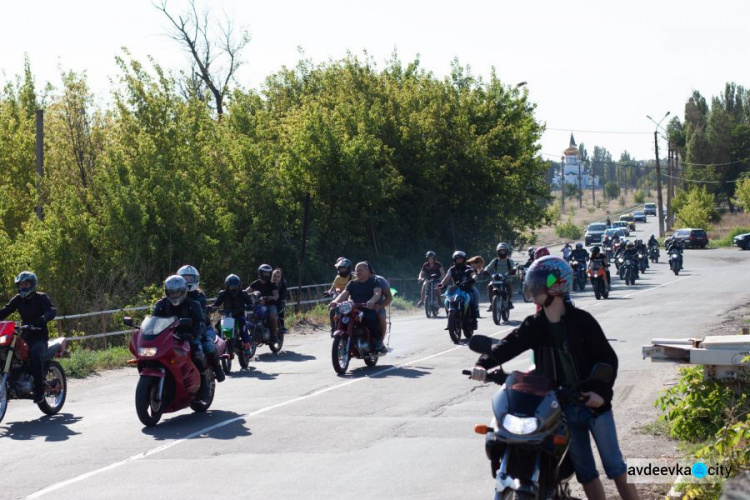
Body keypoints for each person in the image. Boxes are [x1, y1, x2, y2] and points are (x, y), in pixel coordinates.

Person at [469, 257, 639, 500]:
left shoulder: (582, 322)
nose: (533, 290)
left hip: (592, 406)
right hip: (563, 409)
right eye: (533, 283)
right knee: (586, 474)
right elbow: (509, 345)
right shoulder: (534, 325)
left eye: (539, 284)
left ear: (557, 287)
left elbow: (607, 361)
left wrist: (600, 394)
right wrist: (483, 365)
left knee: (616, 468)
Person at [0, 271, 57, 403]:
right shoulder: (18, 299)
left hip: (39, 337)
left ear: (32, 284)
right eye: (20, 285)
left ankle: (39, 388)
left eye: (25, 284)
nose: (22, 287)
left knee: (36, 354)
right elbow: (5, 311)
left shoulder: (42, 297)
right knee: (5, 351)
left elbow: (51, 311)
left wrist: (43, 319)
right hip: (25, 336)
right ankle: (10, 382)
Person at [153, 275, 209, 401]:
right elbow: (153, 321)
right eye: (171, 292)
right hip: (166, 337)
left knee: (197, 352)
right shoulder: (161, 305)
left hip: (187, 337)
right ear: (166, 292)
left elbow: (201, 323)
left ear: (184, 291)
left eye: (177, 292)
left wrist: (192, 335)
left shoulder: (193, 304)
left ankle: (203, 383)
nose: (174, 295)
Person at [177, 265, 225, 382]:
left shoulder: (199, 295)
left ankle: (217, 368)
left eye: (190, 279)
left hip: (201, 328)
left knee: (207, 347)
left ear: (196, 280)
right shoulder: (174, 293)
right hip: (179, 329)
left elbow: (200, 316)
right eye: (185, 279)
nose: (187, 281)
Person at [328, 261, 384, 351]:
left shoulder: (374, 281)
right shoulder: (352, 283)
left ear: (367, 271)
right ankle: (343, 339)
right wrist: (335, 301)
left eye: (360, 270)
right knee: (341, 318)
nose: (358, 273)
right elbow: (344, 294)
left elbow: (377, 293)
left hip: (367, 308)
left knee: (370, 318)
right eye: (356, 271)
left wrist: (372, 301)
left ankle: (377, 341)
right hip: (353, 308)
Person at [212, 274, 253, 355]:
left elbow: (249, 303)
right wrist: (212, 307)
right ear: (227, 286)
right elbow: (216, 304)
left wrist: (249, 306)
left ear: (239, 286)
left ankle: (246, 344)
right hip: (227, 316)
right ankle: (217, 344)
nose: (233, 288)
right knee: (217, 326)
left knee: (243, 325)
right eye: (231, 286)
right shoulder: (223, 294)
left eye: (235, 286)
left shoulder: (243, 293)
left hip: (239, 315)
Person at [439, 251, 480, 330]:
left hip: (468, 288)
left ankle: (474, 320)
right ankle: (449, 322)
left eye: (460, 259)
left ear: (464, 259)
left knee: (473, 299)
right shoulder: (452, 269)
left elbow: (473, 274)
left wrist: (473, 279)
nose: (459, 260)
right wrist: (441, 284)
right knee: (446, 302)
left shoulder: (468, 267)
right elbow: (446, 278)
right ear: (454, 260)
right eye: (457, 259)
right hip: (456, 288)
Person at [247, 264, 280, 339]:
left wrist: (270, 297)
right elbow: (246, 291)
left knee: (272, 315)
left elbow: (276, 295)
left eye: (268, 273)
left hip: (270, 305)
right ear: (260, 273)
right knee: (249, 316)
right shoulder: (256, 283)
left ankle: (274, 335)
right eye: (265, 273)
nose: (267, 274)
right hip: (258, 305)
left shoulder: (271, 284)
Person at [324, 257, 355, 333]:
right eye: (340, 268)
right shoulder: (338, 278)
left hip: (351, 298)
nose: (342, 270)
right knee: (332, 310)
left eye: (344, 268)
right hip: (340, 298)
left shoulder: (353, 277)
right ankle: (333, 328)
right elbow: (334, 287)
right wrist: (329, 292)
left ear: (348, 268)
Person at [483, 243, 516, 311]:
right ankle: (492, 304)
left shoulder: (509, 260)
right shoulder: (495, 260)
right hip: (496, 278)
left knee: (508, 284)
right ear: (498, 252)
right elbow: (488, 267)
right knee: (489, 286)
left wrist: (513, 270)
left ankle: (509, 301)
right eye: (501, 251)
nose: (502, 252)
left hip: (506, 278)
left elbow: (514, 267)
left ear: (506, 252)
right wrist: (486, 270)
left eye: (504, 251)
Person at [271, 268, 288, 333]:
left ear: (280, 277)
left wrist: (276, 299)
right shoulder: (269, 283)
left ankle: (282, 326)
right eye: (274, 276)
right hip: (270, 301)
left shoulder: (283, 284)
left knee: (281, 307)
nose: (276, 278)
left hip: (279, 300)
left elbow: (283, 295)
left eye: (278, 276)